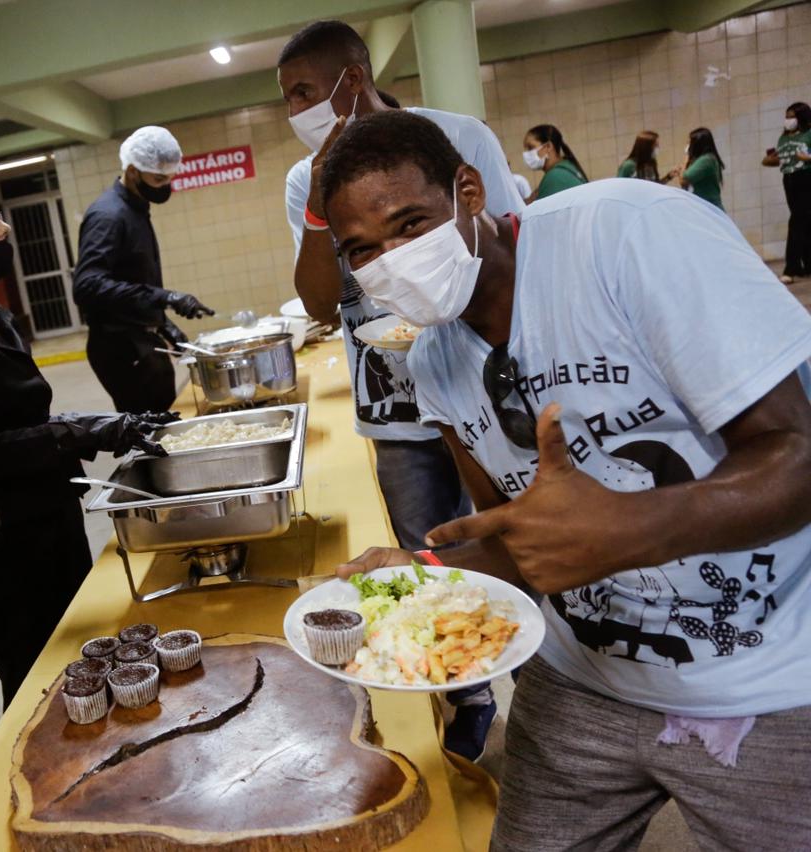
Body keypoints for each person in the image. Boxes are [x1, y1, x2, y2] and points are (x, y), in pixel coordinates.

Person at [322, 109, 811, 851]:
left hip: (768, 682)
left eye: (412, 225)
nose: (394, 260)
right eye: (364, 251)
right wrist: (422, 577)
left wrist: (633, 528)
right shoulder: (433, 363)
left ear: (470, 191)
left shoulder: (625, 234)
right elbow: (519, 542)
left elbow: (798, 451)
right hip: (581, 684)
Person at [277, 19, 524, 762]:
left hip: (480, 375)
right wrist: (322, 201)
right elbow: (322, 301)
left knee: (513, 523)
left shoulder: (454, 136)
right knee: (429, 545)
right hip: (391, 399)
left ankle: (546, 667)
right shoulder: (303, 180)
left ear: (353, 79)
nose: (292, 110)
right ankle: (465, 699)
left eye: (301, 92)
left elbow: (505, 234)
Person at [0, 170, 176, 706]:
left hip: (50, 520)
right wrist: (73, 434)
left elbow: (21, 416)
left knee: (85, 664)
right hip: (4, 550)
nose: (2, 229)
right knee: (40, 682)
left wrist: (99, 426)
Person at [72, 126, 215, 413]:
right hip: (119, 348)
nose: (165, 186)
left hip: (140, 336)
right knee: (151, 429)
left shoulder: (135, 208)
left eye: (170, 178)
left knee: (166, 412)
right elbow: (87, 285)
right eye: (159, 178)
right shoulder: (108, 215)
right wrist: (166, 298)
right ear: (133, 171)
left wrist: (164, 324)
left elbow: (130, 278)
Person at [764, 102, 811, 283]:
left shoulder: (809, 134)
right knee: (805, 220)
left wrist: (806, 157)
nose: (788, 120)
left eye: (792, 116)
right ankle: (806, 264)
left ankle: (790, 267)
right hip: (789, 179)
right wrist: (771, 159)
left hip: (806, 177)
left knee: (797, 221)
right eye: (787, 116)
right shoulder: (783, 138)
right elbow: (781, 159)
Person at [522, 123, 587, 201]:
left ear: (548, 146)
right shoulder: (566, 167)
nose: (527, 154)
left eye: (531, 148)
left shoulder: (555, 177)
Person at [668, 127, 726, 210]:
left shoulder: (706, 160)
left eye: (689, 143)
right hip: (705, 207)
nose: (687, 146)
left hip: (710, 208)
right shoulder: (706, 159)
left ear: (697, 144)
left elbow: (684, 180)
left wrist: (686, 157)